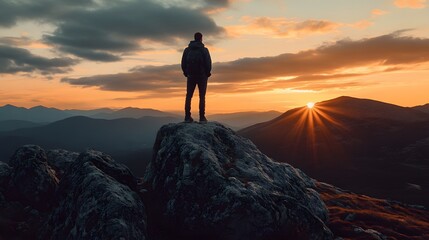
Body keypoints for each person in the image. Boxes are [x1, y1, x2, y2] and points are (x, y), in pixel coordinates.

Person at [181, 32, 212, 123]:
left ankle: (187, 117)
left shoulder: (187, 50)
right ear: (201, 38)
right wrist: (207, 73)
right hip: (202, 76)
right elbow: (208, 62)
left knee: (189, 96)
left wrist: (186, 72)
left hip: (190, 76)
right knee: (202, 96)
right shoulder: (204, 50)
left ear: (194, 38)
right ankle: (202, 117)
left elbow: (183, 63)